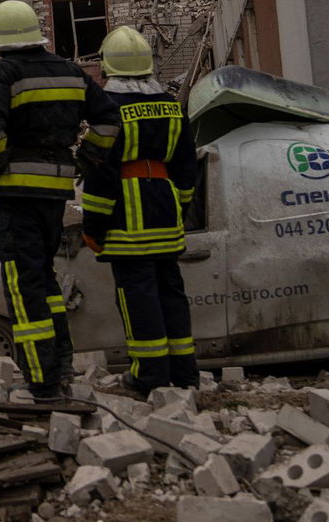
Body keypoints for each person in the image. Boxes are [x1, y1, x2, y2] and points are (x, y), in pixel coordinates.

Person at [0, 0, 119, 401]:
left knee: (24, 286)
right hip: (55, 194)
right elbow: (109, 119)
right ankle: (61, 366)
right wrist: (85, 158)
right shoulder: (71, 72)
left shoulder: (2, 74)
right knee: (46, 280)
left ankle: (42, 381)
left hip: (16, 196)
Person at [81, 25, 201, 394]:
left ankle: (148, 377)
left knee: (139, 298)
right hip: (165, 212)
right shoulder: (171, 106)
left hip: (127, 219)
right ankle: (185, 375)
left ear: (108, 66)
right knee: (171, 294)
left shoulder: (109, 109)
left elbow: (101, 173)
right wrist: (179, 208)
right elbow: (186, 167)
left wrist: (93, 226)